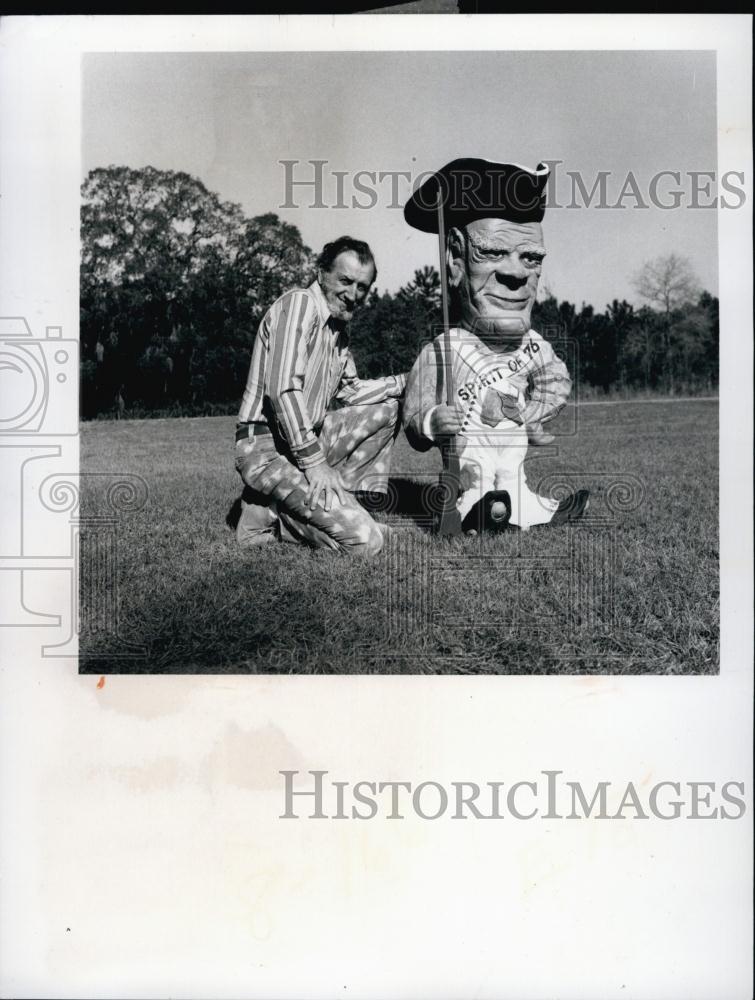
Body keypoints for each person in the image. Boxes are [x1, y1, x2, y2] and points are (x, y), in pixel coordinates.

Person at [402, 157, 589, 532]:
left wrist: (534, 415)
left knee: (511, 476)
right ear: (455, 258)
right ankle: (475, 510)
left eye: (531, 258)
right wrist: (431, 421)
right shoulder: (442, 350)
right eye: (493, 252)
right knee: (480, 480)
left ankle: (523, 509)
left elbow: (556, 381)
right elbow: (413, 420)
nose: (517, 273)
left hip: (512, 445)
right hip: (469, 468)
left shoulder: (533, 347)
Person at [234, 236, 406, 555]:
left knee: (387, 411)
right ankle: (274, 516)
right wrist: (315, 466)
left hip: (304, 441)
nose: (353, 295)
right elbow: (282, 390)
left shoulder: (338, 330)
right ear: (320, 273)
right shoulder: (299, 305)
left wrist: (405, 382)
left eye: (362, 287)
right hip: (265, 447)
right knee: (367, 542)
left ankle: (336, 502)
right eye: (346, 280)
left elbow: (351, 390)